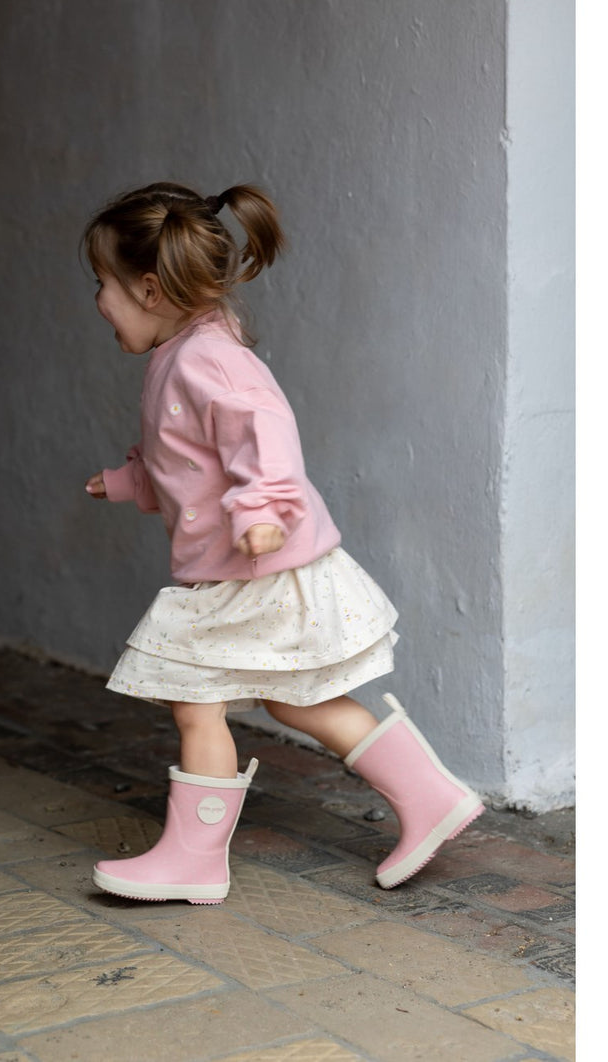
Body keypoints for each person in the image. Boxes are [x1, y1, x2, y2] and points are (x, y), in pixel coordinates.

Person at [83, 180, 482, 904]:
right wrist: (126, 482)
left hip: (257, 567)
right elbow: (190, 462)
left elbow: (263, 430)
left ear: (147, 289)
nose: (98, 301)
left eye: (101, 283)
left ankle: (194, 860)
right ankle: (429, 797)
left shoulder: (206, 357)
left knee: (197, 699)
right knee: (297, 699)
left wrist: (264, 508)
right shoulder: (182, 353)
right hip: (248, 568)